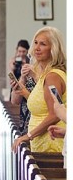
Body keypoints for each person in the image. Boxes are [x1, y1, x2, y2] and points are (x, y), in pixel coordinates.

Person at [12, 26, 66, 154]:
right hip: (43, 143)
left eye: (43, 44)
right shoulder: (45, 75)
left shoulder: (52, 76)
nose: (37, 48)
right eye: (35, 42)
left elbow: (54, 114)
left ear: (53, 49)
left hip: (51, 144)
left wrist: (28, 136)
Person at [8, 38, 34, 134]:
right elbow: (11, 77)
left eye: (24, 51)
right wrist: (12, 68)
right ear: (16, 51)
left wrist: (25, 65)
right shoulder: (14, 61)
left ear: (28, 51)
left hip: (28, 88)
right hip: (17, 86)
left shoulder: (30, 62)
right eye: (19, 51)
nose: (21, 53)